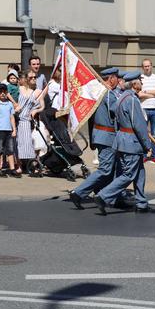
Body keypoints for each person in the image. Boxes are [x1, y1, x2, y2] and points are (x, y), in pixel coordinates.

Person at [94, 71, 155, 215]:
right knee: (129, 174)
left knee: (139, 172)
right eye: (140, 81)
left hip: (123, 140)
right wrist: (147, 145)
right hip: (131, 142)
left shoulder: (122, 97)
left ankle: (141, 203)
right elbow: (139, 125)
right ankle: (103, 196)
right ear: (134, 84)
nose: (142, 83)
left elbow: (117, 121)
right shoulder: (132, 100)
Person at [69, 67, 120, 209]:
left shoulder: (97, 92)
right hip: (107, 136)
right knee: (105, 169)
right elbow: (118, 111)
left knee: (111, 168)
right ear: (111, 78)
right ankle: (78, 193)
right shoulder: (108, 94)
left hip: (101, 135)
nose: (118, 80)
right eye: (116, 77)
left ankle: (106, 195)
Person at [16, 70, 45, 175]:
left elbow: (42, 106)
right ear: (26, 78)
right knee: (17, 143)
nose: (33, 79)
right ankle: (19, 166)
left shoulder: (37, 91)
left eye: (35, 77)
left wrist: (36, 110)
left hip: (27, 121)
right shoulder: (20, 88)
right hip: (16, 119)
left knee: (28, 143)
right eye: (31, 77)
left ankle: (32, 165)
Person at [0, 83, 21, 177]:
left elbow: (12, 117)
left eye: (4, 91)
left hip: (8, 130)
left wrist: (14, 129)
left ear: (7, 92)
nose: (3, 93)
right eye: (0, 91)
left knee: (10, 150)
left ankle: (12, 169)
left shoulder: (9, 104)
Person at [138, 59, 155, 164]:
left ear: (151, 66)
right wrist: (154, 93)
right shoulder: (140, 78)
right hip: (143, 108)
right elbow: (139, 94)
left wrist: (146, 92)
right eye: (145, 66)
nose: (147, 68)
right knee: (143, 133)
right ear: (142, 67)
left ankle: (154, 156)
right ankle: (143, 155)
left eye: (148, 66)